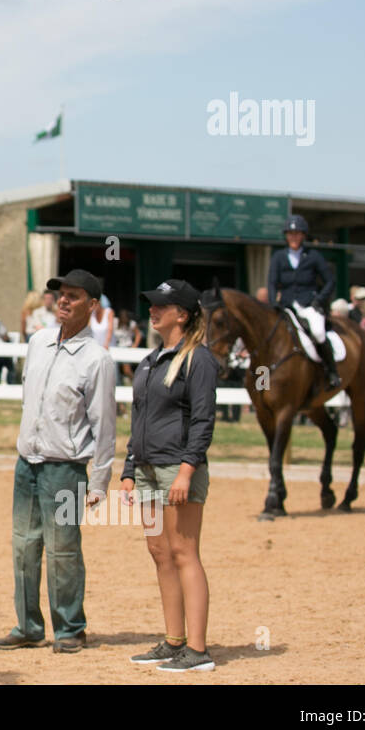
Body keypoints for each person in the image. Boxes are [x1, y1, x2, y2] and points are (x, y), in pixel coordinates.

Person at [0, 269, 115, 655]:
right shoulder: (38, 341)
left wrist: (99, 482)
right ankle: (28, 626)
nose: (62, 300)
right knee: (23, 547)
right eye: (61, 294)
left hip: (65, 467)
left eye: (73, 296)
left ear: (92, 306)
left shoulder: (98, 360)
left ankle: (70, 628)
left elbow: (105, 424)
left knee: (63, 549)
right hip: (27, 462)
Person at [121, 279, 217, 672]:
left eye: (162, 305)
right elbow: (139, 418)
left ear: (183, 314)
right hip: (146, 468)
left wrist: (185, 472)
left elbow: (203, 420)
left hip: (178, 468)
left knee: (184, 553)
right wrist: (128, 470)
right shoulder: (150, 360)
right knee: (160, 553)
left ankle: (197, 649)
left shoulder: (199, 359)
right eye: (152, 305)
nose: (153, 311)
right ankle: (174, 639)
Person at [267, 214, 339, 388]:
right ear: (286, 235)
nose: (294, 237)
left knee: (318, 332)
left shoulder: (313, 256)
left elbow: (330, 280)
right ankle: (265, 381)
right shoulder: (278, 257)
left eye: (297, 233)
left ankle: (331, 373)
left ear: (303, 235)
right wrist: (272, 303)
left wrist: (319, 300)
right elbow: (271, 282)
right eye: (290, 233)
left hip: (308, 305)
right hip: (286, 306)